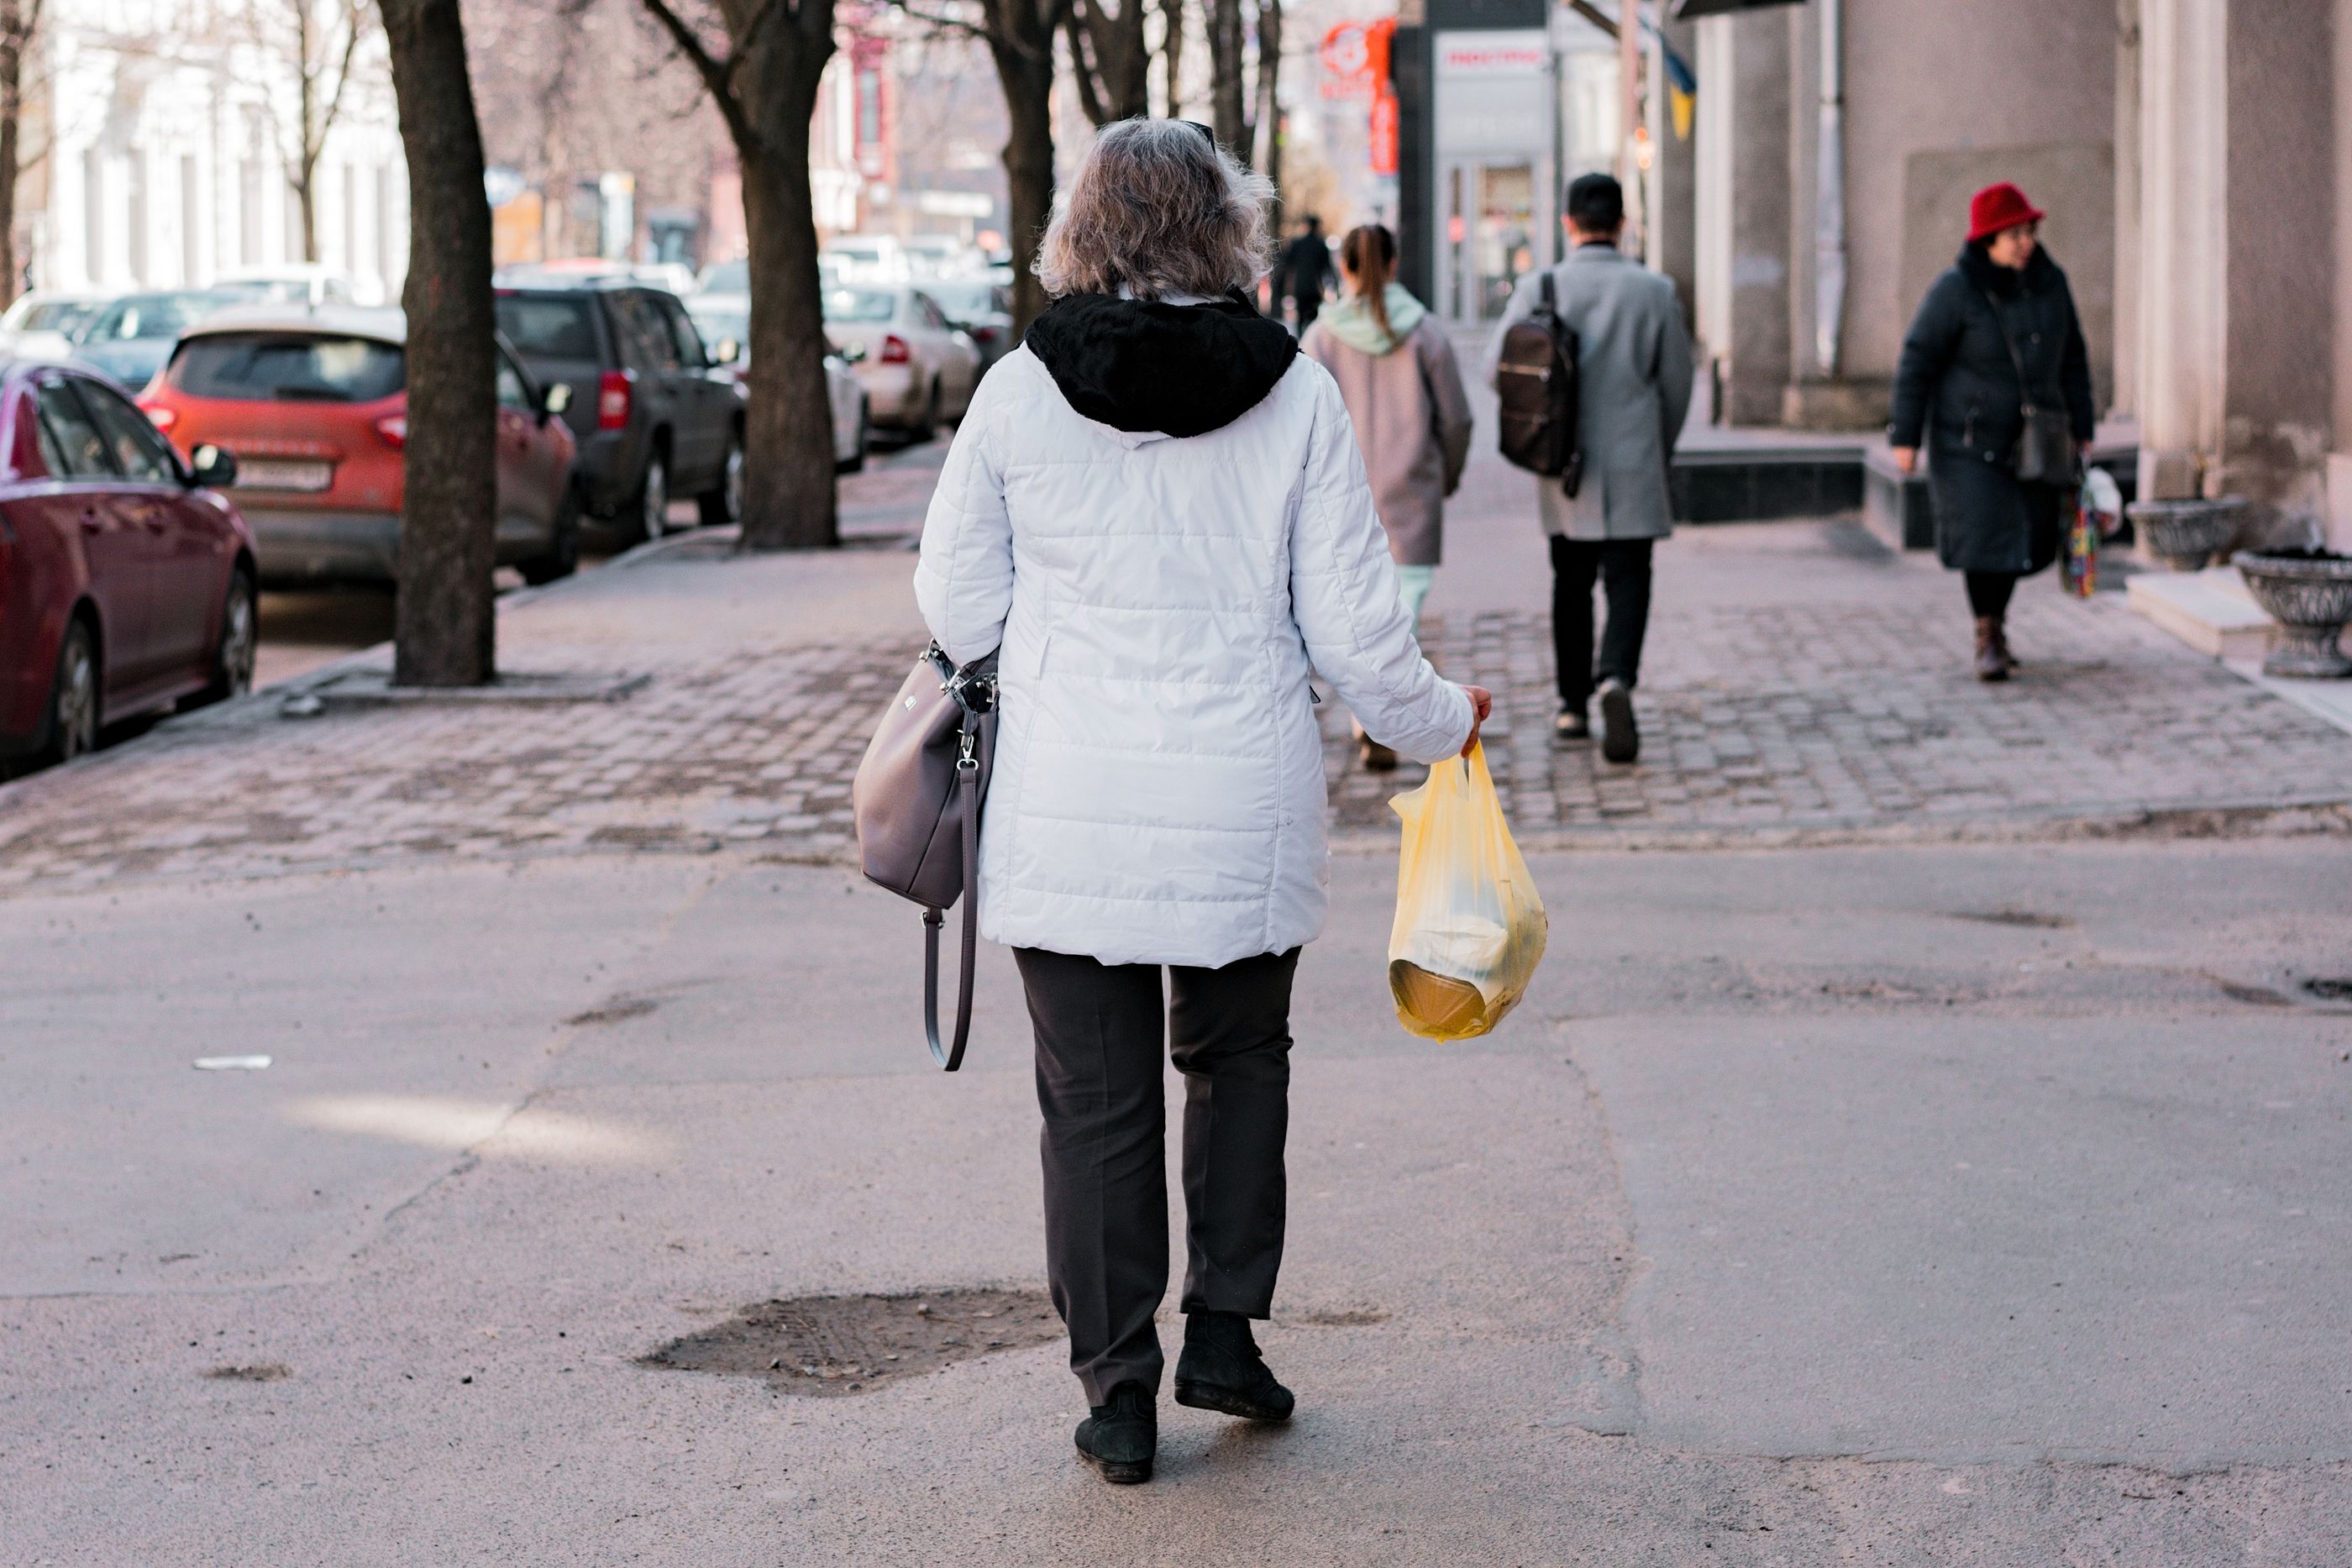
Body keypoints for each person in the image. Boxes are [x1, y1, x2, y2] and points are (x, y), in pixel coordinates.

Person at [913, 118, 1491, 1487]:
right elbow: (1358, 634)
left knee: (1094, 1103)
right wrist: (1441, 722)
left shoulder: (1014, 389)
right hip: (1242, 790)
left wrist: (1035, 661)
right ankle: (1223, 1330)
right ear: (1223, 224)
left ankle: (1119, 1394)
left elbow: (954, 600)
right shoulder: (1291, 392)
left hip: (1071, 796)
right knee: (1238, 1062)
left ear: (1082, 223)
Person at [1485, 171, 1693, 765]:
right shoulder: (1655, 291)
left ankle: (1572, 706)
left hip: (1563, 462)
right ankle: (1616, 679)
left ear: (1569, 223)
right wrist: (1659, 445)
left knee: (1569, 584)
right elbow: (1677, 383)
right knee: (1630, 580)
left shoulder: (1540, 286)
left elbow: (1496, 371)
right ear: (1623, 224)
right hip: (1633, 461)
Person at [1888, 181, 2095, 681]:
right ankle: (1988, 632)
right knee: (1985, 538)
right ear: (1987, 241)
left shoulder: (2052, 283)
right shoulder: (1955, 290)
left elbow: (2074, 357)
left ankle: (1995, 623)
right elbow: (1918, 360)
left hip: (2037, 440)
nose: (2025, 242)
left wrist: (2082, 425)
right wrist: (1905, 436)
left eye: (2028, 231)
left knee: (2029, 537)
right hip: (1969, 442)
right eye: (2012, 235)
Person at [1301, 223, 1474, 772]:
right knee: (1405, 615)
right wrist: (1444, 474)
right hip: (1413, 491)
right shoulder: (1424, 331)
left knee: (1355, 613)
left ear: (1345, 269)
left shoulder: (1322, 337)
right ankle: (1387, 716)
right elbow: (1458, 418)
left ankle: (1369, 718)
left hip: (1342, 499)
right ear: (1395, 264)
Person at [1273, 213, 1336, 332]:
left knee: (1300, 320)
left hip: (1300, 288)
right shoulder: (1321, 245)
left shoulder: (1297, 244)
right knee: (1314, 321)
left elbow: (1286, 266)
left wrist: (1280, 289)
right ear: (1317, 227)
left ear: (1306, 226)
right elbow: (1328, 269)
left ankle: (1302, 343)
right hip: (1316, 289)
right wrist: (1334, 288)